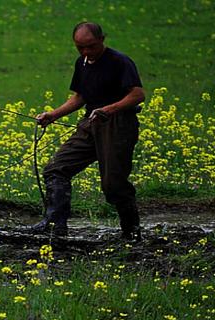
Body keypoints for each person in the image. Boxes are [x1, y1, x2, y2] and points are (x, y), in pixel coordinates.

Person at [31, 22, 145, 241]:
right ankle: (56, 227)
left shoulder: (119, 62)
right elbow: (80, 97)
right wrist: (52, 115)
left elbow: (138, 94)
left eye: (90, 46)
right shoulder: (82, 62)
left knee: (113, 184)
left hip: (118, 124)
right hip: (91, 122)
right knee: (56, 169)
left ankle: (131, 232)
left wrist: (109, 109)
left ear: (102, 39)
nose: (86, 52)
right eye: (80, 47)